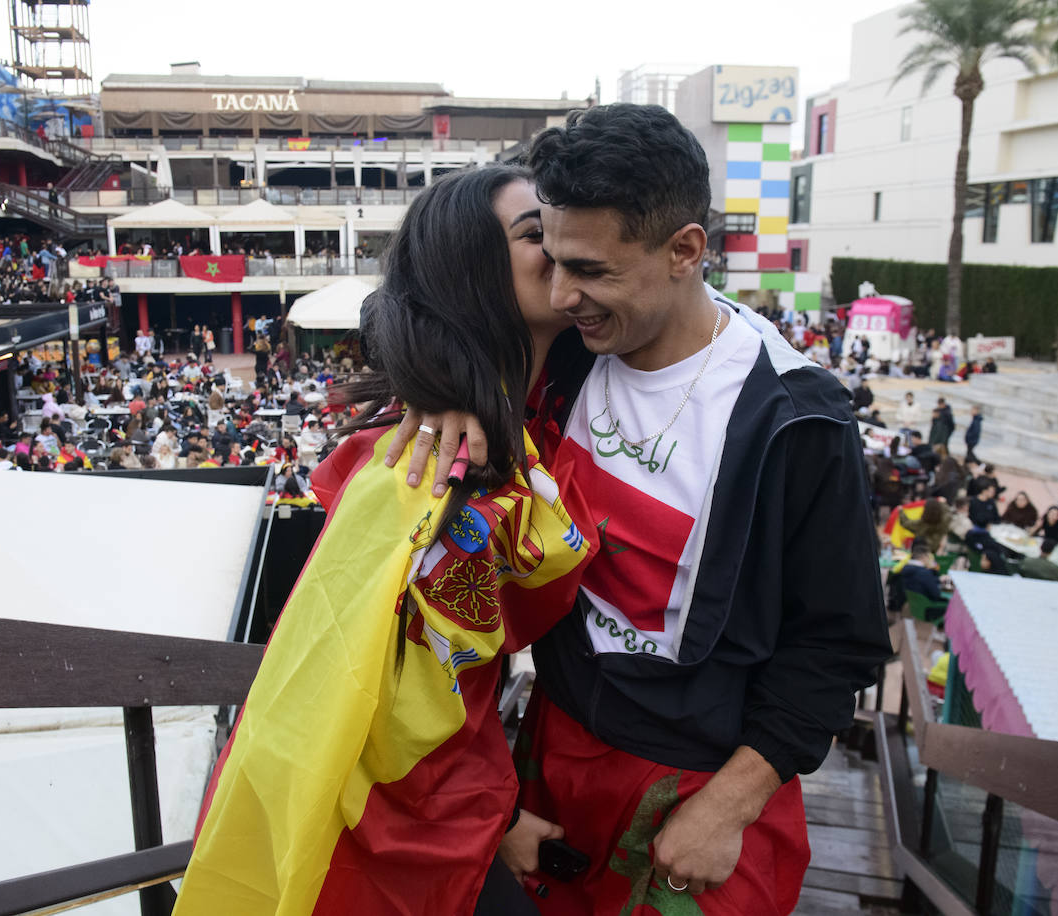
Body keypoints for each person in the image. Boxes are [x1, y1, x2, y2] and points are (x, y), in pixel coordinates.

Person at [389, 104, 890, 914]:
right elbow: (423, 294)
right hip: (556, 752)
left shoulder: (794, 417)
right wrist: (441, 389)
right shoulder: (566, 362)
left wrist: (729, 805)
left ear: (685, 250)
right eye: (550, 260)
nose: (561, 294)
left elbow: (838, 643)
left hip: (705, 783)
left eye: (588, 270)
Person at [177, 165, 596, 916]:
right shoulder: (417, 465)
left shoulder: (535, 421)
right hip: (392, 837)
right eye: (537, 233)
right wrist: (490, 813)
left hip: (456, 809)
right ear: (469, 273)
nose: (562, 246)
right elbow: (379, 700)